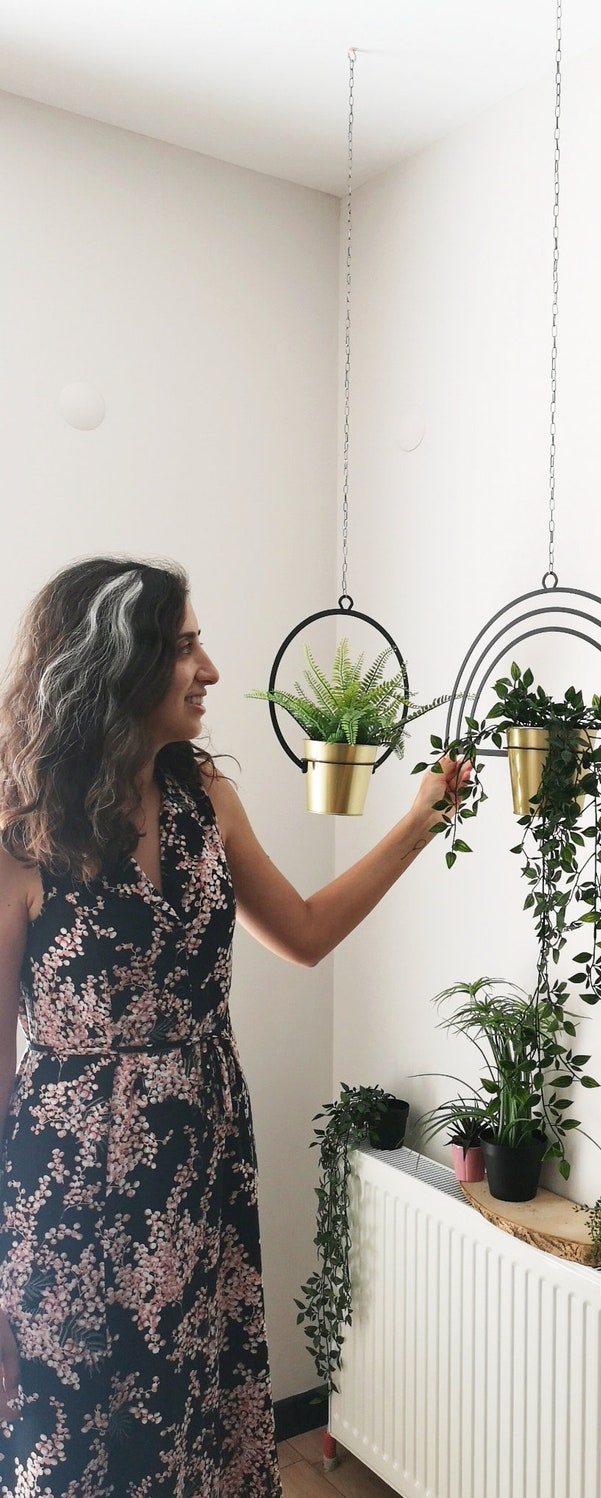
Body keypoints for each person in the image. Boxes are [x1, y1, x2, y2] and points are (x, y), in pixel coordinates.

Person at [0, 556, 465, 1497]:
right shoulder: (22, 833)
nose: (209, 668)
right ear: (118, 664)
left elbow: (300, 933)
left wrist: (420, 821)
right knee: (80, 1453)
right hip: (73, 1203)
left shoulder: (201, 798)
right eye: (184, 646)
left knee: (204, 1434)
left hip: (206, 1168)